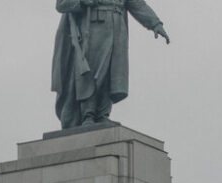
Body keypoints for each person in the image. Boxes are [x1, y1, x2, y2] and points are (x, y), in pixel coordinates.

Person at [51, 0, 170, 128]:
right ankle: (88, 115)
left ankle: (102, 114)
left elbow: (137, 3)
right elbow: (62, 4)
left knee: (111, 72)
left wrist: (155, 23)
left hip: (118, 26)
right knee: (91, 71)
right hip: (93, 24)